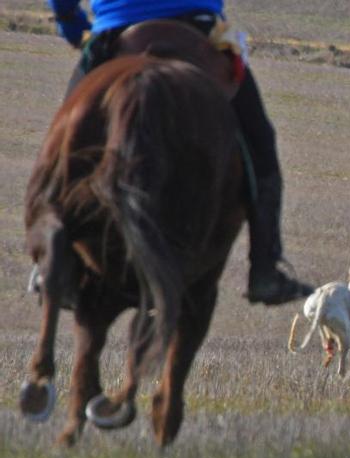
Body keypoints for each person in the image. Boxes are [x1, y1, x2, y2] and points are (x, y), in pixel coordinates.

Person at [45, 0, 310, 305]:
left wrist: (70, 21)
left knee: (63, 143)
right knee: (259, 142)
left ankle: (57, 260)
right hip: (195, 24)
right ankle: (264, 269)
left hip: (116, 28)